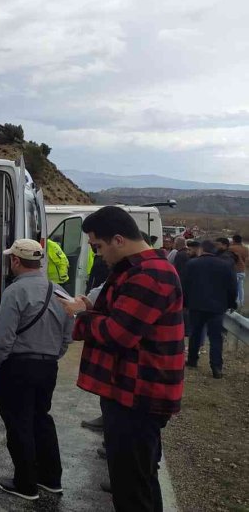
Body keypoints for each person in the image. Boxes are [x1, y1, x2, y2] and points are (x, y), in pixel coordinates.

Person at [63, 206, 184, 512]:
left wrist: (81, 315)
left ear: (118, 240)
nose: (98, 254)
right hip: (131, 391)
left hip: (138, 395)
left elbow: (119, 333)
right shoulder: (138, 270)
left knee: (132, 488)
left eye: (98, 247)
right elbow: (122, 317)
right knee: (138, 479)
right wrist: (93, 308)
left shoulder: (149, 275)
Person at [0, 239, 72, 501]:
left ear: (16, 260)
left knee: (19, 422)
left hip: (18, 366)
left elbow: (3, 337)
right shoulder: (59, 292)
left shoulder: (14, 292)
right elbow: (67, 337)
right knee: (41, 418)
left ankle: (25, 484)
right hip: (48, 366)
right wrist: (51, 356)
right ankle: (51, 478)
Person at [182, 240, 238, 378]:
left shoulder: (192, 264)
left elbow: (185, 285)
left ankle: (192, 360)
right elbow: (232, 286)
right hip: (217, 307)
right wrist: (231, 303)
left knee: (195, 333)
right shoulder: (225, 265)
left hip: (196, 305)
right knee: (215, 337)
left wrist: (185, 303)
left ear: (202, 250)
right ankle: (216, 367)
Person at [230, 234, 247, 307]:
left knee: (234, 287)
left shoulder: (231, 248)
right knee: (240, 287)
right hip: (242, 270)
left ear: (234, 240)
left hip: (235, 270)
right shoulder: (245, 249)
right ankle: (241, 302)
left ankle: (236, 303)